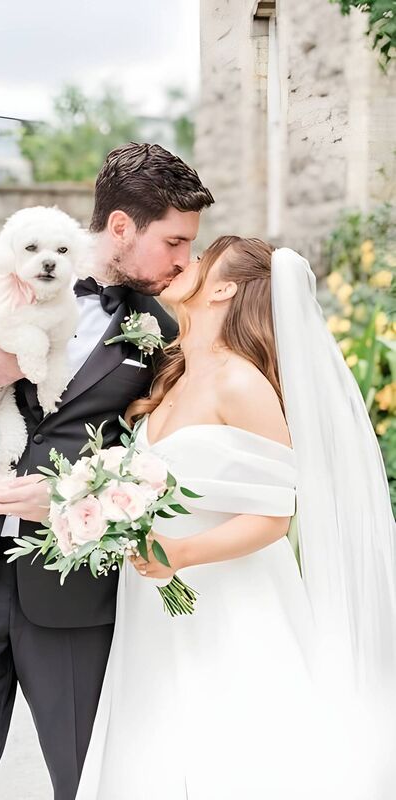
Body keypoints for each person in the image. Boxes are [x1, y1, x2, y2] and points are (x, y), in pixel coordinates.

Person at [0, 142, 214, 800]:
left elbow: (160, 457)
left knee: (88, 784)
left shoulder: (158, 328)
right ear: (121, 226)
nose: (182, 259)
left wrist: (67, 495)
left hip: (73, 596)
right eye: (173, 240)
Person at [74, 237, 396, 799]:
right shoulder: (171, 375)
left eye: (200, 258)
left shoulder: (240, 381)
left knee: (235, 751)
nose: (185, 261)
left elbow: (273, 515)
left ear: (223, 287)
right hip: (156, 604)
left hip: (228, 600)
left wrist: (180, 553)